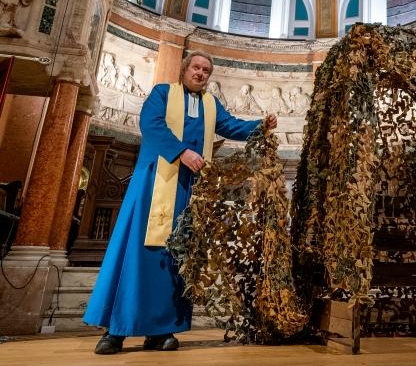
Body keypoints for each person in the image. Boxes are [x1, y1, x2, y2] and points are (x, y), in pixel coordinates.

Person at [83, 51, 278, 354]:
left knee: (175, 259)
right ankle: (116, 331)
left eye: (206, 71)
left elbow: (233, 126)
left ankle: (161, 331)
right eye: (196, 68)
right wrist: (181, 152)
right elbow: (152, 125)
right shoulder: (163, 93)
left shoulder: (211, 105)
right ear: (185, 69)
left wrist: (261, 125)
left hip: (188, 191)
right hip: (154, 183)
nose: (200, 73)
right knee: (139, 253)